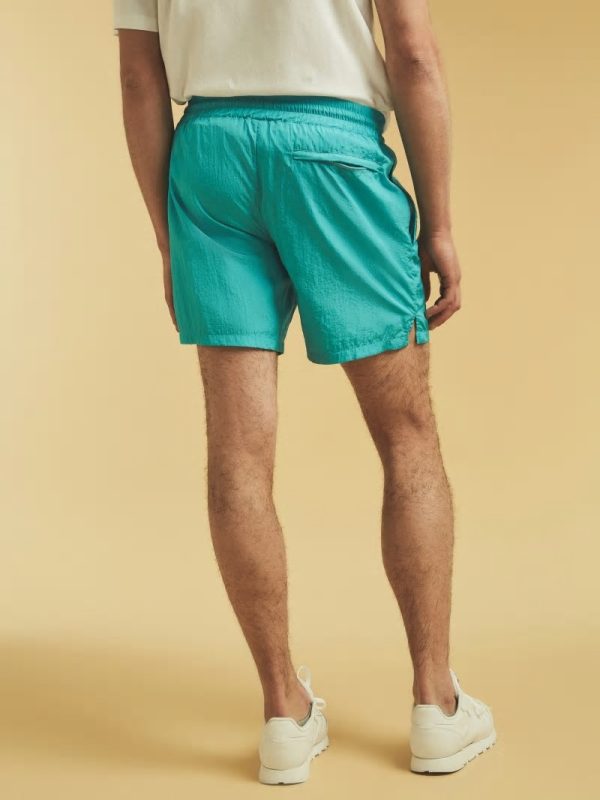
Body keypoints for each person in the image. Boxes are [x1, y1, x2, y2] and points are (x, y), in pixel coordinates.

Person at [113, 0, 496, 784]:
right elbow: (413, 53)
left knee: (238, 457)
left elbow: (138, 77)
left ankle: (283, 713)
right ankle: (436, 703)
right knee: (407, 436)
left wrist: (168, 239)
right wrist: (440, 225)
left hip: (209, 159)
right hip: (331, 150)